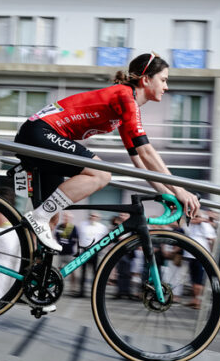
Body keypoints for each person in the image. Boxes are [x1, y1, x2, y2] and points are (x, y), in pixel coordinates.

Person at [13, 53, 200, 252]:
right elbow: (146, 152)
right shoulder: (126, 97)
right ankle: (39, 216)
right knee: (101, 173)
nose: (166, 87)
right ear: (146, 80)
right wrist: (180, 190)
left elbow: (139, 162)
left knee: (52, 219)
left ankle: (28, 274)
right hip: (40, 132)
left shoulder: (125, 105)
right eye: (163, 80)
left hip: (42, 135)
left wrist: (167, 193)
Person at [184, 211, 217, 308]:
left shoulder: (205, 225)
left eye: (196, 216)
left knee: (198, 279)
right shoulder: (190, 224)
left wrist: (211, 253)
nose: (194, 218)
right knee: (193, 279)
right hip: (190, 254)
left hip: (200, 254)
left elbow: (212, 238)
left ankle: (198, 300)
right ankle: (194, 299)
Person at [76, 212, 109, 297]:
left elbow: (105, 240)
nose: (93, 217)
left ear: (98, 218)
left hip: (95, 252)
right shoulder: (82, 224)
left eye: (95, 216)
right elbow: (79, 237)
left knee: (95, 273)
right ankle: (81, 292)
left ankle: (94, 293)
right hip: (84, 251)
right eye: (92, 216)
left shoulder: (103, 228)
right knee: (83, 273)